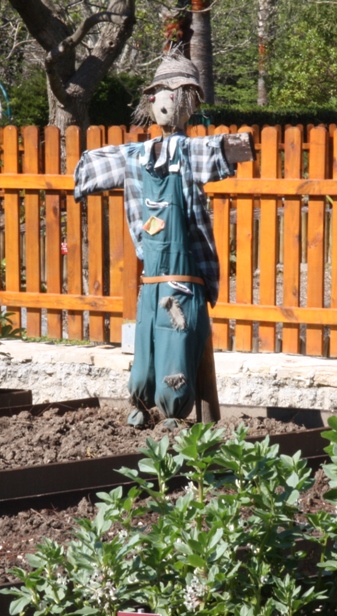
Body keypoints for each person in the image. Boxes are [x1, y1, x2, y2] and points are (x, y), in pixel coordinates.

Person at [72, 53, 252, 428]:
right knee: (150, 348)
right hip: (157, 281)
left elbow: (231, 148)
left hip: (176, 283)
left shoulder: (181, 154)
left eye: (169, 94)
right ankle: (145, 405)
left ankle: (168, 411)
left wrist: (233, 147)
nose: (161, 102)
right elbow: (90, 166)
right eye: (157, 95)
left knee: (171, 345)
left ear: (185, 101)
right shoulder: (139, 157)